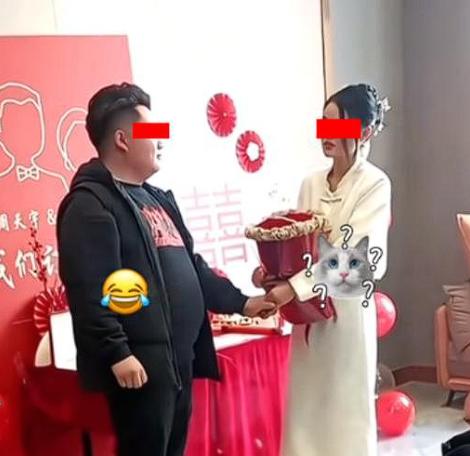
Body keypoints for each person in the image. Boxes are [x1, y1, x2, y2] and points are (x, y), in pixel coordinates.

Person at [56, 82, 276, 456]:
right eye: (153, 131)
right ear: (123, 139)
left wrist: (243, 303)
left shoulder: (156, 198)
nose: (161, 141)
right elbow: (89, 288)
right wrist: (117, 352)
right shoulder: (90, 205)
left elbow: (192, 267)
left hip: (178, 359)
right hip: (140, 364)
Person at [262, 84, 392, 456]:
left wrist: (292, 287)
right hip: (307, 317)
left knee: (344, 414)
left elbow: (362, 260)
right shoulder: (311, 184)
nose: (327, 134)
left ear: (364, 132)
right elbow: (298, 243)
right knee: (304, 414)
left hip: (347, 317)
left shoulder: (374, 183)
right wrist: (272, 273)